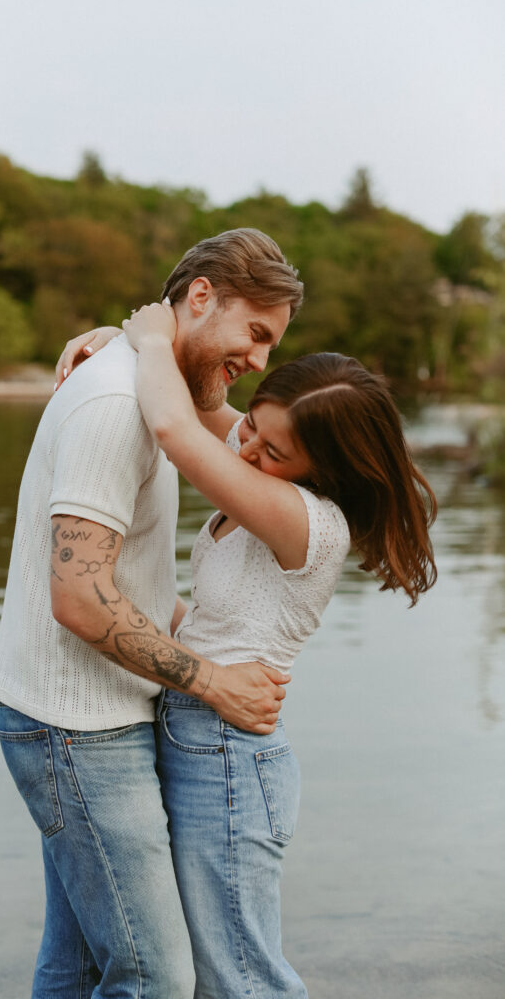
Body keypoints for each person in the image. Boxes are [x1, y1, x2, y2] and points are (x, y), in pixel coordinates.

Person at [62, 303, 437, 998]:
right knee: (212, 972)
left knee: (240, 977)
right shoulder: (265, 465)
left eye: (273, 450)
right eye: (254, 426)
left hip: (227, 757)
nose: (247, 448)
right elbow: (198, 402)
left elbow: (175, 428)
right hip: (200, 733)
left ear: (326, 468)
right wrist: (121, 344)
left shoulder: (304, 519)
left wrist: (149, 340)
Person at [0, 228, 305, 998]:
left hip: (87, 716)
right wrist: (215, 683)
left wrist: (130, 337)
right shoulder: (114, 404)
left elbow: (124, 574)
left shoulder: (151, 386)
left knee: (82, 965)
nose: (260, 359)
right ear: (200, 297)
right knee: (154, 976)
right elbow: (78, 595)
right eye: (254, 332)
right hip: (75, 729)